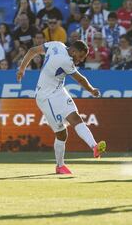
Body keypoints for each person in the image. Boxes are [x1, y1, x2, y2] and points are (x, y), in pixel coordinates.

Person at [16, 40, 107, 174]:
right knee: (62, 134)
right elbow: (80, 79)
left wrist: (22, 69)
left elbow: (32, 51)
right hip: (46, 96)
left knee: (76, 118)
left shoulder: (56, 45)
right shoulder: (66, 61)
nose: (81, 60)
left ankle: (94, 146)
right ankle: (60, 166)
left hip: (58, 91)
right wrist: (92, 90)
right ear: (74, 51)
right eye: (80, 56)